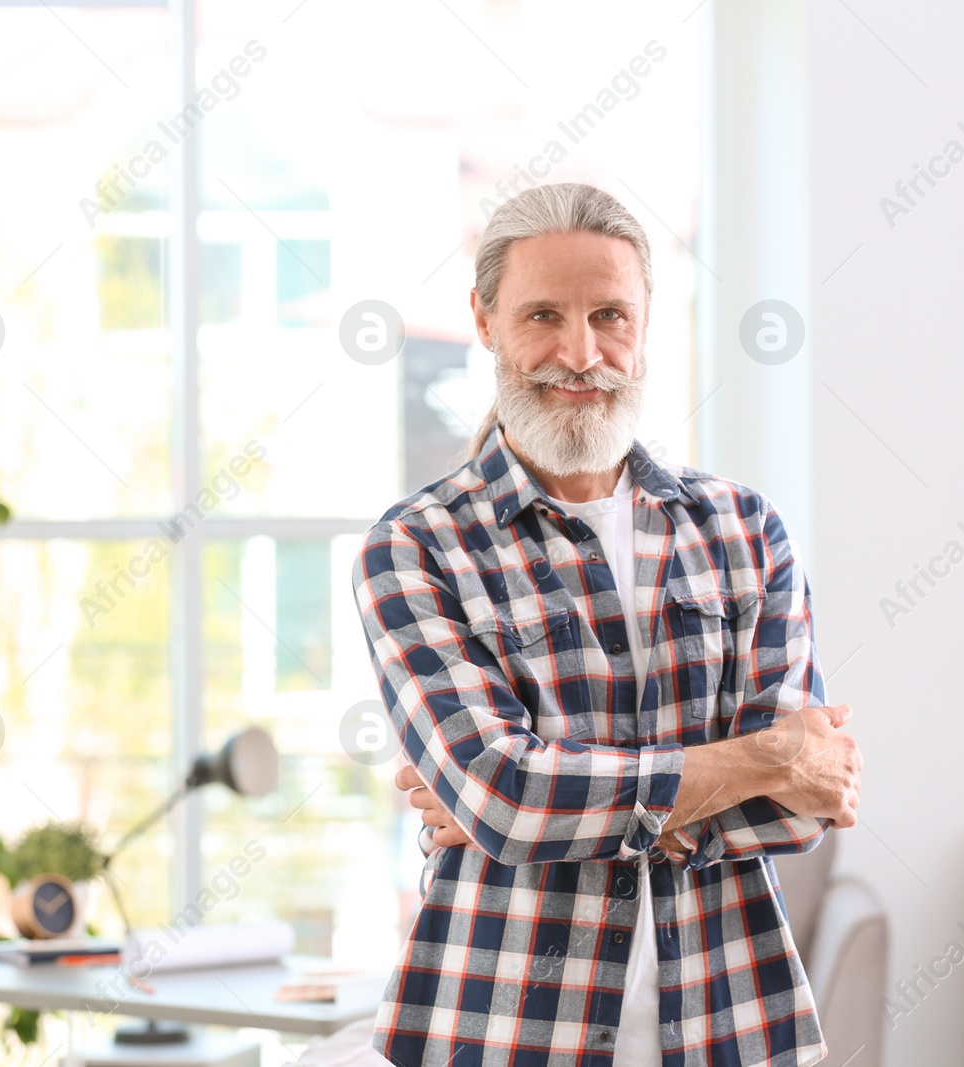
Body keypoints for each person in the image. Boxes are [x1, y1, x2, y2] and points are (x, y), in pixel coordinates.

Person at [352, 182, 862, 1067]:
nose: (580, 352)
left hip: (732, 1028)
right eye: (544, 314)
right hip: (500, 1032)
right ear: (484, 319)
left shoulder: (746, 529)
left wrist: (536, 806)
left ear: (646, 322)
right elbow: (510, 795)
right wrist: (757, 760)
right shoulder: (415, 547)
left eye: (609, 315)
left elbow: (802, 810)